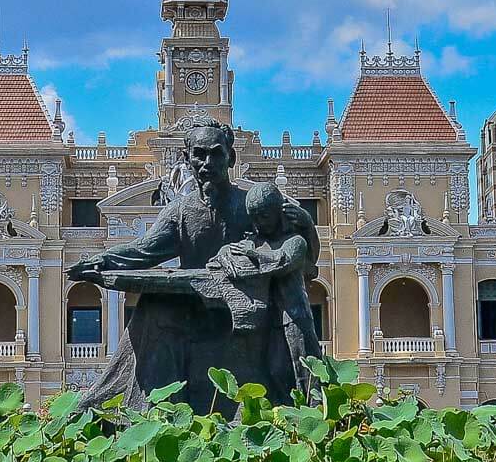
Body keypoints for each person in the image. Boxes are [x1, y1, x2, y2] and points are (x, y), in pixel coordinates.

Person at [68, 119, 318, 412]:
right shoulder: (182, 210)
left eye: (216, 154)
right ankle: (150, 410)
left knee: (291, 289)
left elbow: (300, 255)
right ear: (187, 159)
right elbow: (144, 251)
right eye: (199, 154)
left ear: (231, 157)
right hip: (198, 304)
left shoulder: (251, 205)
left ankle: (309, 388)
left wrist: (308, 226)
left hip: (247, 305)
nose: (206, 163)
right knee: (153, 306)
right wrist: (103, 261)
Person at [208, 181, 323, 401]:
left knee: (305, 375)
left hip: (294, 318)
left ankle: (314, 417)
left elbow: (281, 262)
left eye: (264, 216)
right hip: (267, 320)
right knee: (275, 371)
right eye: (255, 217)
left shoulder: (294, 241)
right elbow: (228, 252)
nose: (259, 222)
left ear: (277, 213)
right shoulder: (257, 241)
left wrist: (253, 254)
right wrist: (224, 256)